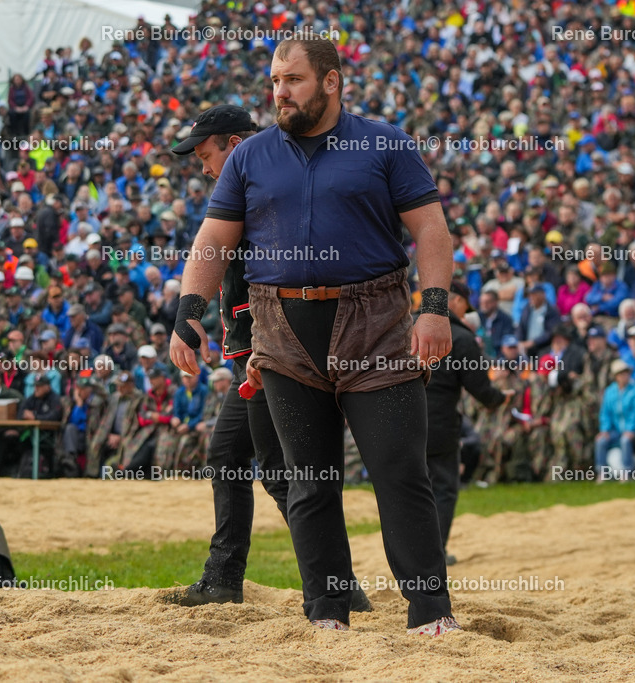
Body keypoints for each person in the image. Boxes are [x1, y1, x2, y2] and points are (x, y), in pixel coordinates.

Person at [170, 38, 457, 636]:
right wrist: (188, 312)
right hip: (281, 328)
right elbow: (214, 239)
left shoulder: (384, 143)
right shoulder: (251, 159)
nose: (280, 92)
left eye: (294, 80)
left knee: (398, 472)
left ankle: (430, 612)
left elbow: (431, 228)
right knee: (310, 479)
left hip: (374, 323)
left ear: (331, 82)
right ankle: (327, 612)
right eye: (275, 81)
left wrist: (433, 308)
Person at [424, 281, 509, 564]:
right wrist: (499, 399)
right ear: (456, 301)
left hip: (401, 421)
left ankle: (409, 554)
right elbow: (480, 389)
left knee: (409, 489)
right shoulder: (460, 337)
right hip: (439, 424)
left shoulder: (406, 325)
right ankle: (434, 553)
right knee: (444, 488)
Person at [594, 359, 635, 481]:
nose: (624, 376)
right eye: (621, 373)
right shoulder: (610, 392)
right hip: (616, 429)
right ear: (616, 376)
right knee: (601, 440)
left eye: (626, 373)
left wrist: (630, 429)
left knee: (625, 440)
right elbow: (605, 413)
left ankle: (626, 473)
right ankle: (602, 472)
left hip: (634, 428)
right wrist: (605, 430)